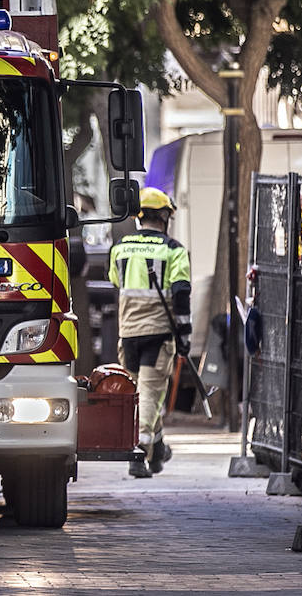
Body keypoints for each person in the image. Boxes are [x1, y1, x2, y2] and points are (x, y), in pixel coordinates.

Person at [108, 187, 191, 478]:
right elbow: (181, 292)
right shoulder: (174, 250)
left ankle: (158, 448)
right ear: (165, 216)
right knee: (149, 395)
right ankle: (138, 453)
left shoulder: (120, 248)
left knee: (141, 395)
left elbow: (115, 281)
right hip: (159, 333)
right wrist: (185, 333)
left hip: (128, 333)